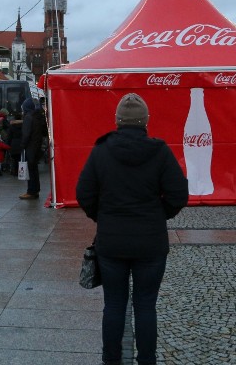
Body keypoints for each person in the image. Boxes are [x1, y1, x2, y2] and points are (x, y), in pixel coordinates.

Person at [76, 93, 189, 365]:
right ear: (145, 121)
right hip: (150, 242)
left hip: (112, 241)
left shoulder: (101, 150)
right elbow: (178, 194)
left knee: (114, 304)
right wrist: (157, 216)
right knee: (146, 305)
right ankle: (146, 360)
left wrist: (101, 217)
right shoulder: (160, 151)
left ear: (117, 121)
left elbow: (84, 193)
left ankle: (111, 360)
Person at [19, 98, 47, 198]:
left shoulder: (28, 117)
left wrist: (22, 145)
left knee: (31, 170)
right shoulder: (38, 116)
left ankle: (31, 191)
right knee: (34, 169)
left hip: (30, 146)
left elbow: (26, 134)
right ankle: (35, 190)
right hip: (37, 146)